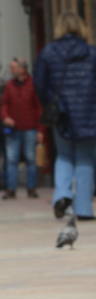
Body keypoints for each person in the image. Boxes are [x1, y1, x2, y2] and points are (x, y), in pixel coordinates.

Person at [33, 13, 96, 221]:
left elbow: (40, 83)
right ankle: (84, 208)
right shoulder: (92, 52)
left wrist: (51, 103)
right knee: (85, 158)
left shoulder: (48, 53)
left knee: (64, 155)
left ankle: (62, 195)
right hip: (89, 112)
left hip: (62, 113)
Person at [2, 58, 42, 199]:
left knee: (31, 159)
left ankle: (31, 188)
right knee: (11, 159)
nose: (13, 70)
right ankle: (11, 189)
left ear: (23, 69)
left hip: (30, 127)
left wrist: (40, 129)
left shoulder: (33, 85)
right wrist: (5, 116)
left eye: (16, 67)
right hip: (13, 129)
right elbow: (4, 104)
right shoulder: (9, 86)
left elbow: (38, 108)